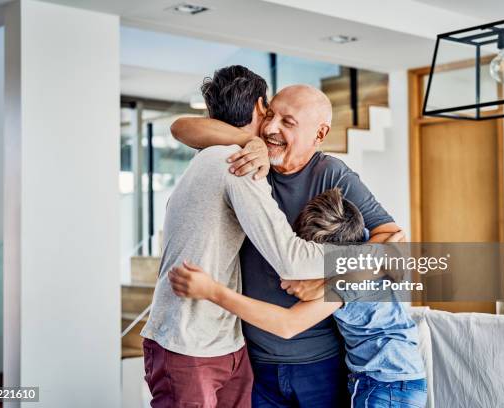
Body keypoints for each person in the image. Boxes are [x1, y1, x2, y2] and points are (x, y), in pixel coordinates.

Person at [171, 84, 404, 406]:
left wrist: (328, 285)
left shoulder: (331, 174)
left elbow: (393, 244)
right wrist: (246, 140)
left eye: (288, 122)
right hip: (254, 359)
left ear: (319, 134)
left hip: (320, 361)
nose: (270, 128)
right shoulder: (246, 162)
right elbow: (181, 127)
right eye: (269, 116)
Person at [140, 66, 328, 408]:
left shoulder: (206, 157)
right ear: (260, 108)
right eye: (270, 112)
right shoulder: (236, 163)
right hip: (188, 343)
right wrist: (371, 258)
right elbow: (292, 259)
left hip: (224, 343)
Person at [169, 188, 427, 408]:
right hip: (392, 377)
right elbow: (396, 238)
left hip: (386, 383)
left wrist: (212, 291)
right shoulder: (367, 244)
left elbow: (288, 324)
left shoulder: (351, 282)